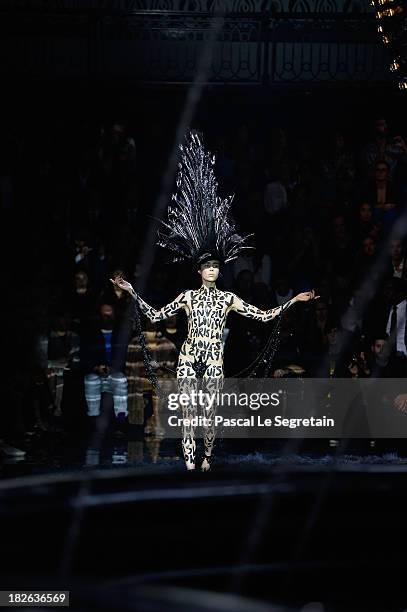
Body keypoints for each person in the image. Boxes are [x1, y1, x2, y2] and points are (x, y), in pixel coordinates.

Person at [111, 131, 319, 471]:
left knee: (208, 416)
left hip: (214, 358)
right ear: (199, 270)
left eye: (215, 266)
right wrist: (133, 291)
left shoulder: (228, 298)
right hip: (190, 354)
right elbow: (157, 314)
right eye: (207, 266)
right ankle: (189, 463)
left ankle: (206, 456)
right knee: (189, 413)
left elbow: (264, 316)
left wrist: (294, 300)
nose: (211, 270)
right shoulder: (189, 296)